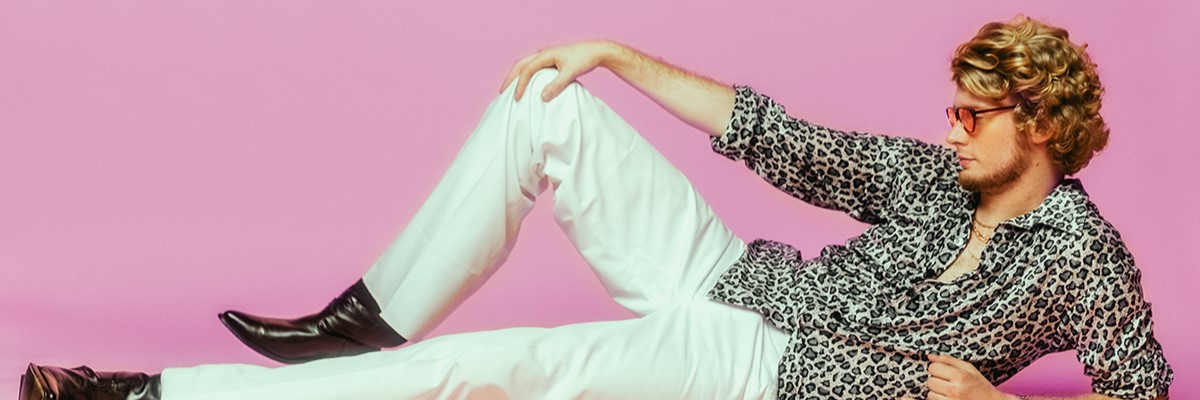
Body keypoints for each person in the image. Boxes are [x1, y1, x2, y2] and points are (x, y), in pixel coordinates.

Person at [20, 15, 1173, 400]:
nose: (950, 128)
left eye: (973, 114)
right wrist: (614, 56)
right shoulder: (933, 176)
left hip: (762, 365)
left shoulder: (1084, 257)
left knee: (484, 370)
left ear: (1038, 123)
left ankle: (146, 394)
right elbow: (783, 140)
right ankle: (372, 316)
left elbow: (1142, 388)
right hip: (731, 275)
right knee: (549, 104)